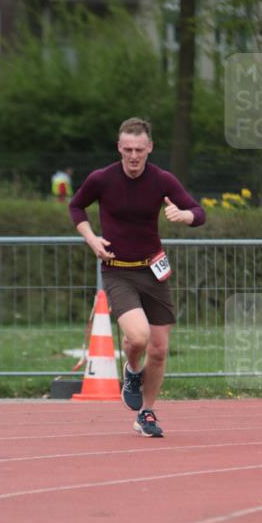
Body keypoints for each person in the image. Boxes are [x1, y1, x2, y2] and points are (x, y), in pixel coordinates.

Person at [68, 117, 205, 437]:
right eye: (127, 149)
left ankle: (147, 413)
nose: (133, 156)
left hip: (153, 271)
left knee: (158, 349)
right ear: (119, 148)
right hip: (118, 272)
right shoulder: (102, 179)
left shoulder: (162, 180)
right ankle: (131, 370)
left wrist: (184, 215)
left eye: (139, 150)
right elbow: (76, 207)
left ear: (150, 149)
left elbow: (198, 213)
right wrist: (91, 239)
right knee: (139, 337)